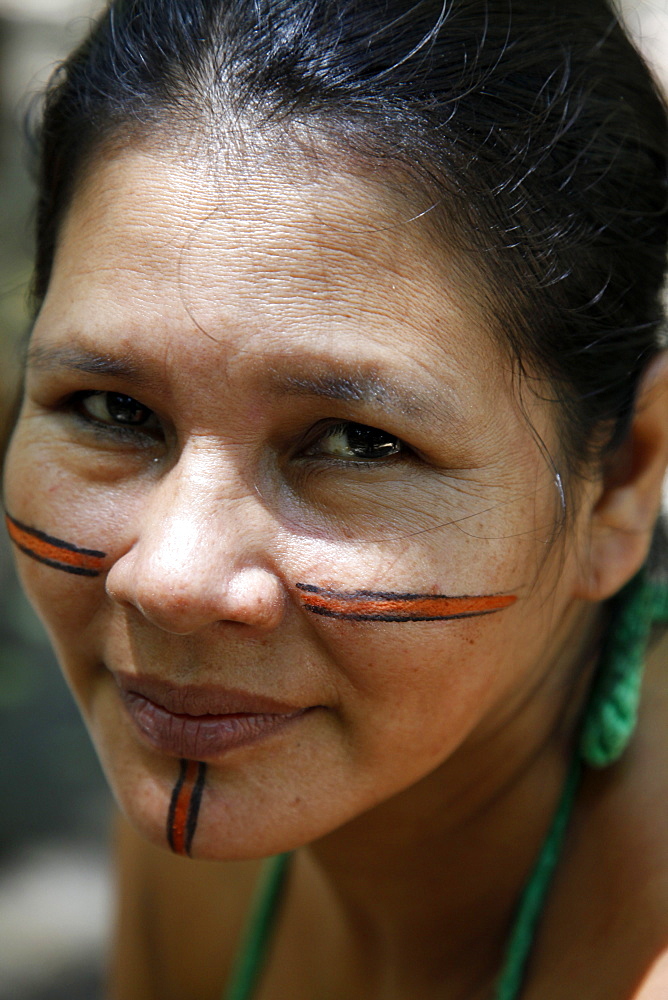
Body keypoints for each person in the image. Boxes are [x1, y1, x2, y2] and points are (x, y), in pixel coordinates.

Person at [3, 0, 668, 996]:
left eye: (357, 443)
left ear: (618, 481)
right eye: (111, 408)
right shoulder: (199, 800)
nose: (172, 581)